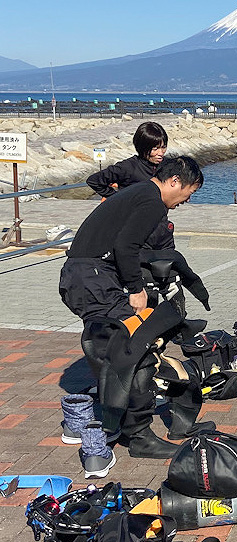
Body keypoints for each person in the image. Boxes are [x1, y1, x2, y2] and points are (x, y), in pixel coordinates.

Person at [59, 155, 213, 458]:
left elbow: (121, 244)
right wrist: (135, 288)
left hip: (82, 276)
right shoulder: (152, 201)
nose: (186, 200)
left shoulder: (138, 192)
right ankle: (139, 435)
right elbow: (126, 246)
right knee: (136, 349)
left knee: (118, 348)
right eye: (188, 193)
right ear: (174, 181)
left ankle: (120, 420)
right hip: (93, 278)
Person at [86, 121, 174, 250]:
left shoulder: (168, 165)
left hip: (162, 230)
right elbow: (94, 180)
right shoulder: (128, 167)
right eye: (155, 149)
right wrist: (118, 199)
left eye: (163, 147)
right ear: (142, 147)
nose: (161, 153)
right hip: (136, 231)